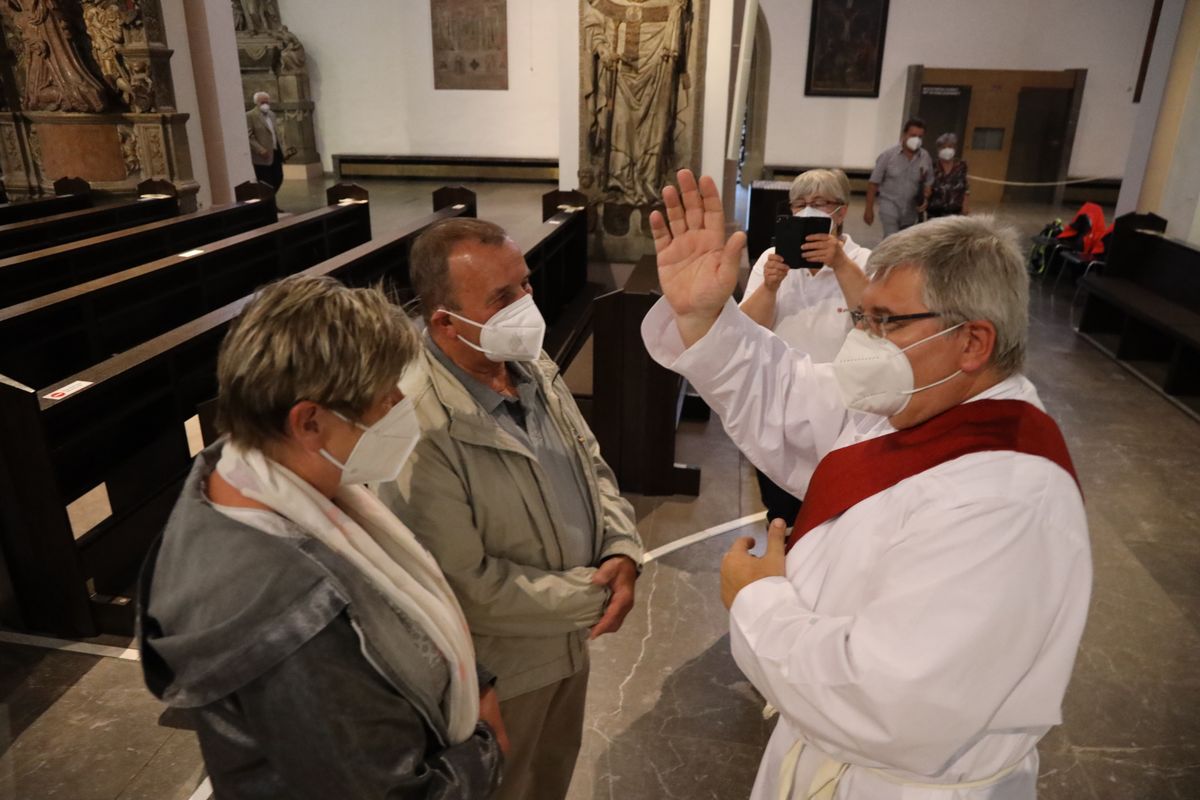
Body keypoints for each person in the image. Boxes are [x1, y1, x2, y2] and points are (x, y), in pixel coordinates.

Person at [641, 170, 1091, 799]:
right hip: (826, 751)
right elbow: (787, 392)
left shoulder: (1008, 501)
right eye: (863, 318)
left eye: (885, 322)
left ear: (972, 341)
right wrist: (705, 317)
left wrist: (759, 600)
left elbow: (892, 703)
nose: (863, 340)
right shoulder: (914, 400)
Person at [138, 275, 505, 799]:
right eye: (385, 397)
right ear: (309, 422)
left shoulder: (243, 469)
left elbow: (390, 603)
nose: (402, 406)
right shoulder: (286, 617)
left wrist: (474, 677)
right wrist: (488, 749)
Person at [381, 219, 644, 800]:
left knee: (552, 777)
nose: (527, 305)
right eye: (502, 297)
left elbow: (589, 461)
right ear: (444, 321)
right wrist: (595, 596)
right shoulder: (419, 424)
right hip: (502, 671)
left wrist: (623, 549)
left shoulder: (527, 362)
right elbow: (463, 585)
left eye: (524, 285)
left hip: (567, 645)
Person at [740, 168, 872, 526]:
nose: (807, 211)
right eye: (799, 204)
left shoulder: (865, 263)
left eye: (818, 204)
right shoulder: (773, 258)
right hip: (780, 402)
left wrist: (840, 264)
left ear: (840, 212)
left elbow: (875, 327)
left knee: (835, 511)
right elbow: (746, 331)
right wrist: (768, 287)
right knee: (781, 511)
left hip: (842, 409)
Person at [864, 117, 933, 237]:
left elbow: (929, 181)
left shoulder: (925, 157)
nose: (916, 139)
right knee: (891, 238)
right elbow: (873, 183)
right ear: (904, 135)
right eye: (913, 135)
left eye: (920, 136)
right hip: (889, 206)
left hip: (911, 210)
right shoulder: (888, 156)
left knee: (905, 242)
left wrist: (926, 196)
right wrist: (868, 209)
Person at [928, 132, 970, 218]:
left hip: (955, 213)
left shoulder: (961, 166)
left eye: (950, 147)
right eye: (943, 147)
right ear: (938, 149)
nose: (947, 149)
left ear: (955, 148)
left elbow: (966, 187)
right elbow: (927, 187)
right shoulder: (932, 166)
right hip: (934, 212)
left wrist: (965, 205)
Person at [247, 90, 283, 190]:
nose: (265, 104)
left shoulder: (272, 115)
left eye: (267, 102)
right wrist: (260, 149)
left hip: (274, 152)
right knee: (266, 183)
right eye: (262, 102)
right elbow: (249, 136)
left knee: (278, 178)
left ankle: (272, 201)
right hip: (262, 156)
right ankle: (269, 204)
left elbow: (275, 133)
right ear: (256, 103)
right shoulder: (250, 116)